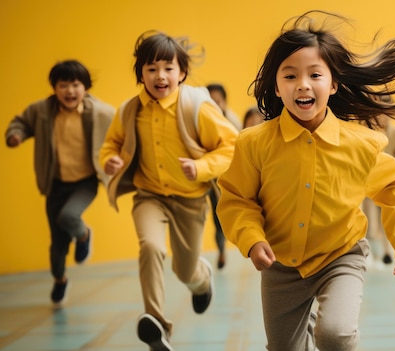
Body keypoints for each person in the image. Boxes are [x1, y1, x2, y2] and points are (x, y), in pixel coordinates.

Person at [217, 11, 395, 351]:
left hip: (340, 255)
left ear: (332, 84)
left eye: (315, 74)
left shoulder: (361, 143)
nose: (303, 84)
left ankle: (325, 324)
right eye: (290, 76)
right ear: (277, 86)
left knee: (335, 335)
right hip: (280, 265)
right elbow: (237, 199)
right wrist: (251, 238)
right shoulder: (253, 143)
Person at [99, 31, 238, 351]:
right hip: (149, 196)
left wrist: (201, 168)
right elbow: (111, 144)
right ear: (141, 75)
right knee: (150, 247)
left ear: (182, 72)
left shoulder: (197, 108)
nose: (160, 75)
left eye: (167, 68)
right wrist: (110, 160)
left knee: (184, 268)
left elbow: (231, 147)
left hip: (190, 200)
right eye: (151, 69)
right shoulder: (129, 111)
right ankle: (156, 321)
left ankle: (201, 280)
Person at [4, 60, 114, 305]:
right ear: (54, 88)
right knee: (57, 245)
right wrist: (16, 135)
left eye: (76, 85)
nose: (70, 91)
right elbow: (21, 122)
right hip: (55, 184)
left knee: (69, 217)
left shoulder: (100, 113)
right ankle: (60, 279)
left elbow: (122, 133)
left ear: (85, 87)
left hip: (85, 182)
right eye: (63, 85)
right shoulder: (42, 112)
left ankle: (84, 235)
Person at [362, 111, 395, 265]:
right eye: (379, 113)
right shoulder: (367, 131)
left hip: (387, 184)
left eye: (386, 114)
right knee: (370, 222)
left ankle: (387, 252)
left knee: (385, 220)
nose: (382, 117)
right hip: (369, 184)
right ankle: (373, 252)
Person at [205, 83, 241, 270]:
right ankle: (221, 251)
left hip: (229, 180)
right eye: (209, 101)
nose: (214, 106)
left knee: (228, 217)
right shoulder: (200, 122)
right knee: (215, 219)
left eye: (217, 102)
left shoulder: (233, 123)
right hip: (209, 179)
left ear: (224, 103)